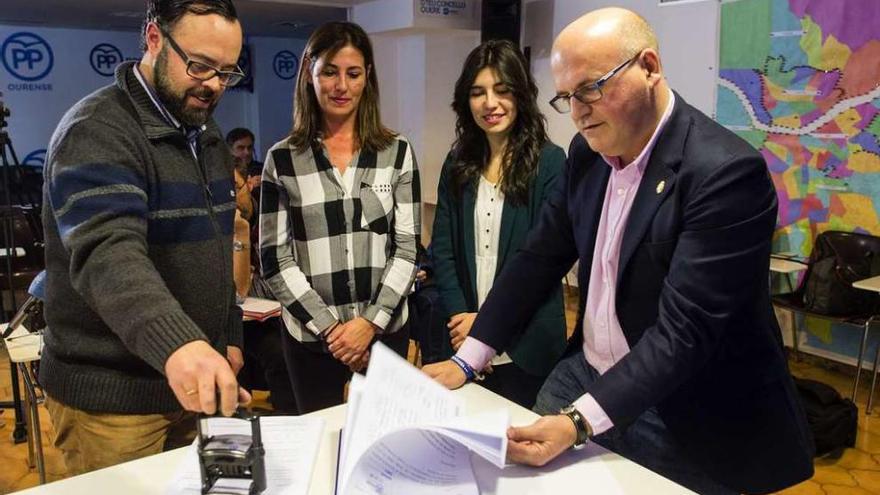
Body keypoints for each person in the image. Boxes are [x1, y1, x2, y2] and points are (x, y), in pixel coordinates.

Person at [424, 8, 814, 494]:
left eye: (590, 88)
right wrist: (469, 359)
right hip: (585, 373)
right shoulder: (588, 155)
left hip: (683, 407)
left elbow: (684, 333)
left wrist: (577, 422)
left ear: (649, 66)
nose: (579, 111)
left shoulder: (724, 174)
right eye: (566, 97)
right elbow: (538, 258)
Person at [40, 0, 250, 475]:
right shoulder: (96, 130)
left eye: (227, 72)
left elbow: (218, 248)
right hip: (114, 402)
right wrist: (181, 347)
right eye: (200, 65)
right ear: (154, 39)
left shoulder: (205, 131)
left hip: (194, 386)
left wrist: (228, 334)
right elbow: (109, 255)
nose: (214, 85)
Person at [260, 21, 420, 414]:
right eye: (329, 72)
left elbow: (406, 249)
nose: (341, 86)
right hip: (312, 340)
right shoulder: (282, 160)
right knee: (323, 445)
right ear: (309, 74)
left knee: (387, 444)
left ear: (368, 78)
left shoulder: (396, 152)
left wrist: (369, 324)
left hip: (384, 333)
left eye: (353, 73)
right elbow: (274, 259)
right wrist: (333, 330)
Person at [431, 40, 567, 409]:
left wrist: (487, 325)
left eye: (502, 91)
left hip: (527, 346)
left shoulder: (551, 163)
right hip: (462, 337)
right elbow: (442, 251)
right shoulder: (457, 163)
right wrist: (464, 320)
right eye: (478, 93)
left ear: (521, 96)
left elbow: (540, 263)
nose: (490, 103)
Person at [226, 127, 263, 194]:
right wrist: (249, 186)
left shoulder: (262, 170)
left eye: (250, 147)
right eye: (241, 148)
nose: (247, 152)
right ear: (230, 150)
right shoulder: (224, 173)